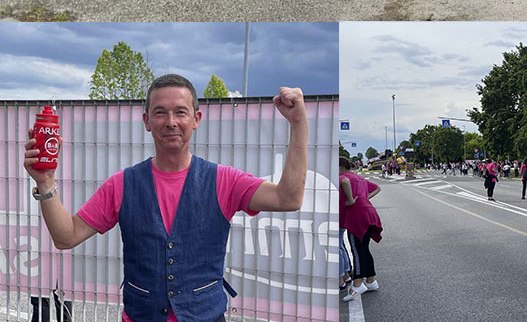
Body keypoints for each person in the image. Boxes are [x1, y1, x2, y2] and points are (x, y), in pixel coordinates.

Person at [23, 74, 308, 322]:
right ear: (147, 121)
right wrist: (46, 183)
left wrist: (298, 122)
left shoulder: (224, 181)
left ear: (196, 119)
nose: (171, 122)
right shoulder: (122, 184)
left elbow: (288, 198)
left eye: (180, 112)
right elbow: (66, 236)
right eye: (160, 112)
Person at [339, 157, 382, 301]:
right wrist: (365, 197)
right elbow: (377, 187)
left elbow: (344, 182)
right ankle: (371, 280)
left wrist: (351, 200)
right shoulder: (359, 178)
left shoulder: (343, 177)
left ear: (340, 167)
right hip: (370, 214)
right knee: (364, 248)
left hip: (356, 216)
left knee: (356, 250)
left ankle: (357, 285)